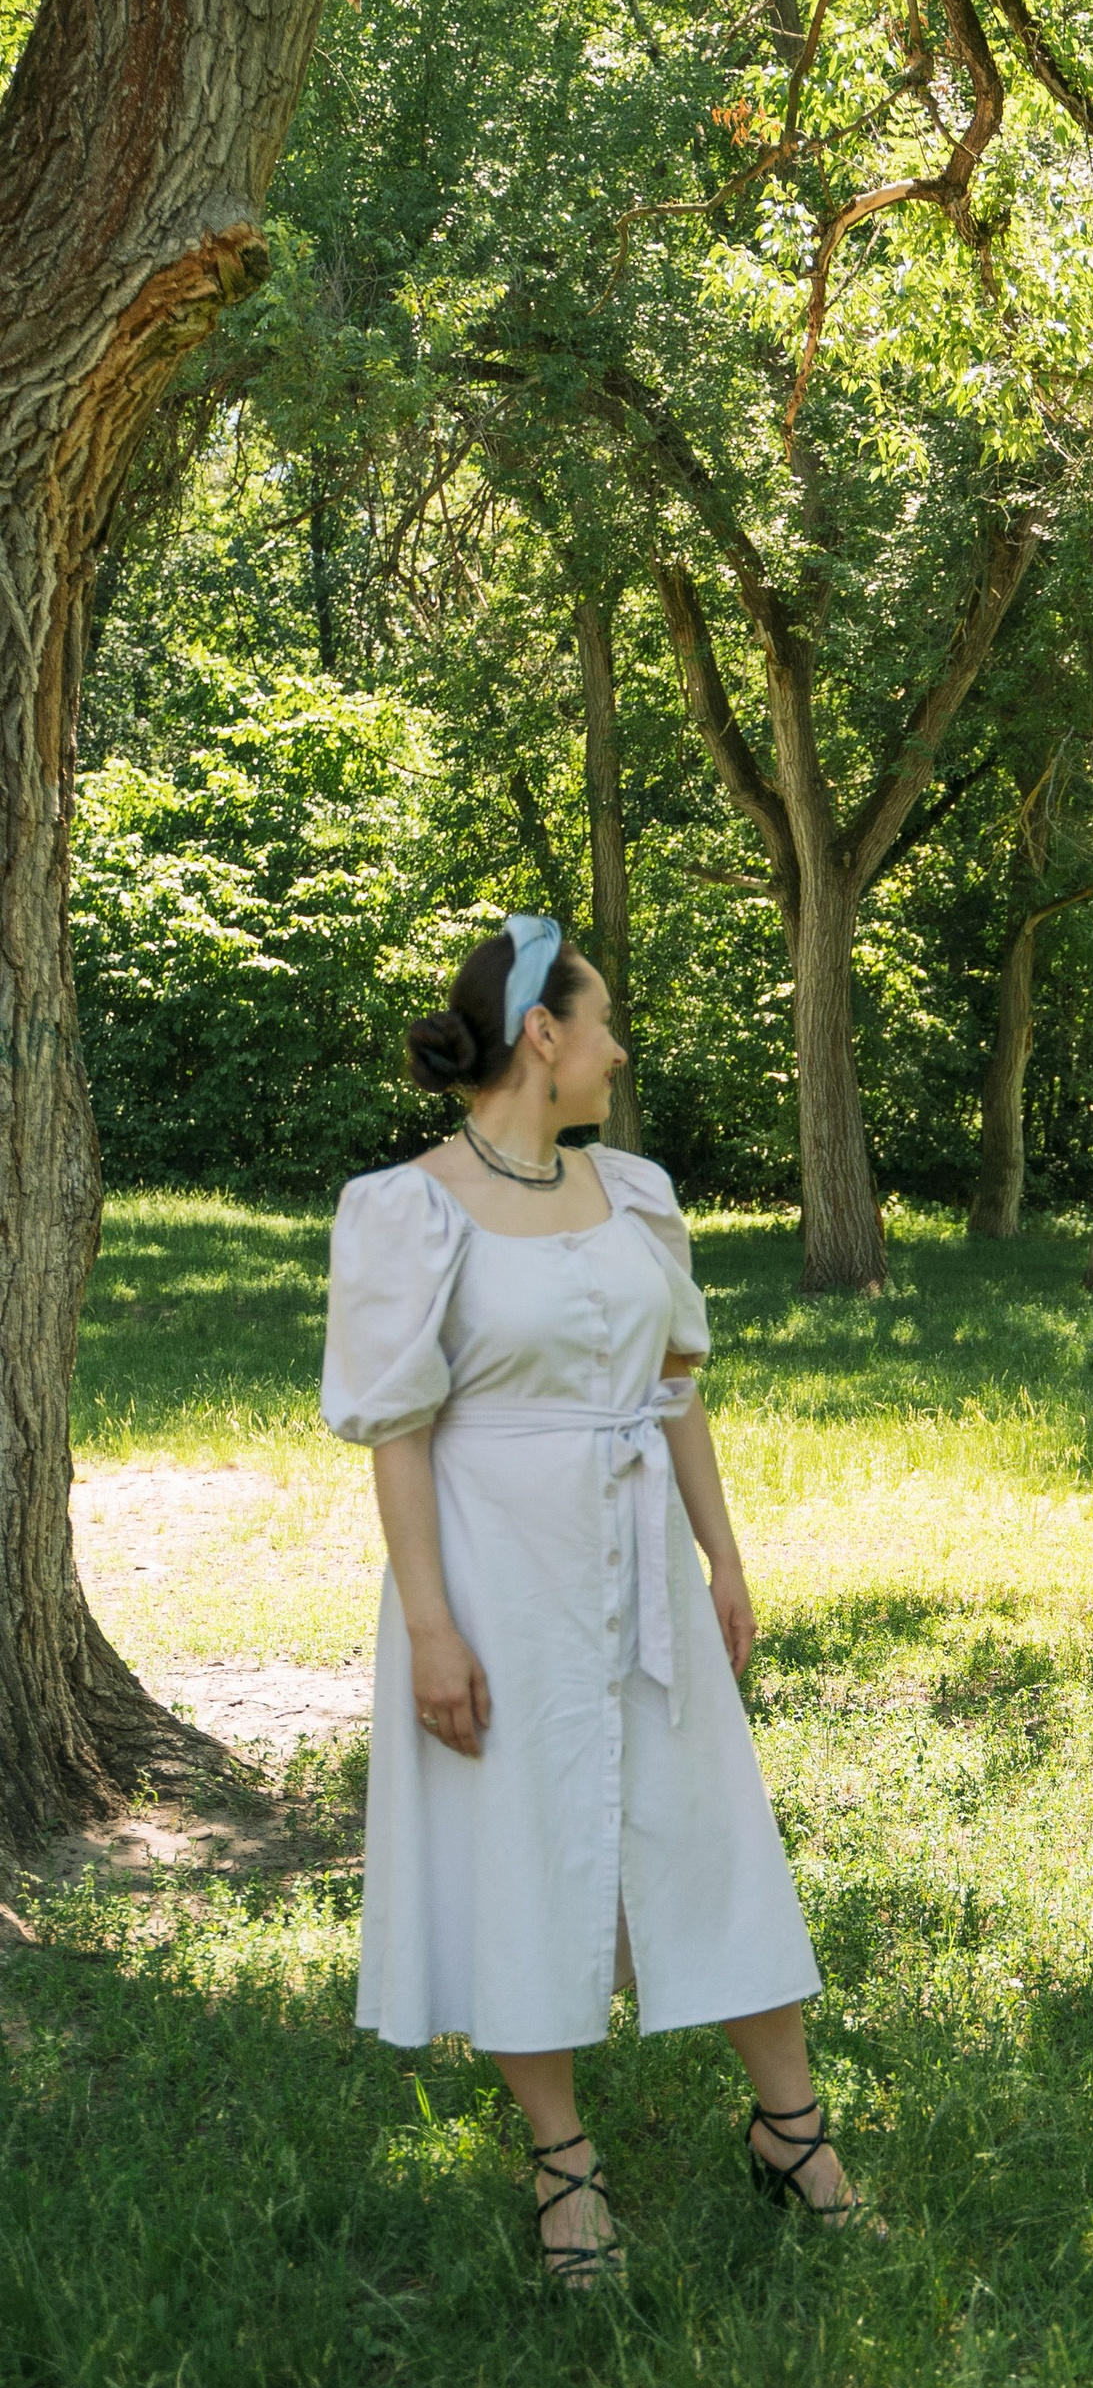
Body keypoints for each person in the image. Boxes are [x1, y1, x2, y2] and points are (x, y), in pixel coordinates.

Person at [323, 914, 853, 2285]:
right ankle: (564, 2161)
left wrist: (721, 1555)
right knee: (521, 1842)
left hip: (640, 1565)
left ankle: (791, 2126)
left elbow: (674, 1385)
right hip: (495, 1569)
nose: (618, 1050)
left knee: (710, 1822)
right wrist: (432, 1625)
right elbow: (397, 1433)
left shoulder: (636, 1190)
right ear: (541, 1034)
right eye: (602, 1022)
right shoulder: (409, 1207)